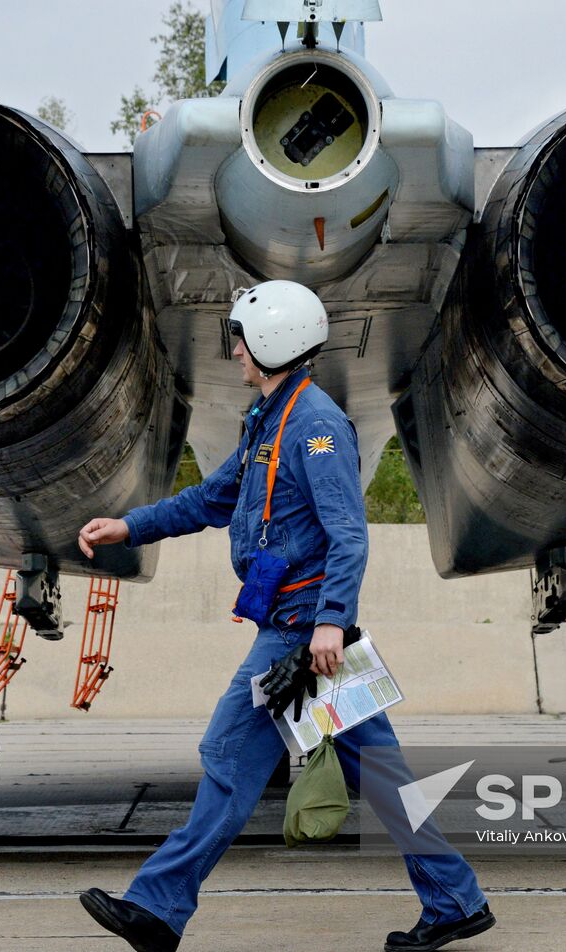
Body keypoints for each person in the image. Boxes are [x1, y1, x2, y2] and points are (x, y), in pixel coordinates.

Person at [76, 281, 494, 952]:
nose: (233, 350)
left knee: (228, 758)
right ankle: (455, 901)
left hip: (303, 631)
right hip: (304, 625)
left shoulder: (317, 426)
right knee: (386, 780)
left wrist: (331, 620)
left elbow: (348, 533)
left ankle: (156, 908)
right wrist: (130, 526)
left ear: (267, 343)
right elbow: (214, 499)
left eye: (239, 337)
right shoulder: (268, 419)